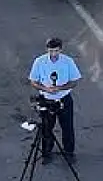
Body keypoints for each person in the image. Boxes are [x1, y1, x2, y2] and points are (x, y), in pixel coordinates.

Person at [28, 37, 82, 165]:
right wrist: (45, 88)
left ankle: (69, 152)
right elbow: (33, 81)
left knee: (67, 128)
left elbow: (74, 81)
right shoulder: (39, 62)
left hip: (64, 99)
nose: (53, 54)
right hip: (46, 100)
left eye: (56, 51)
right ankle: (46, 152)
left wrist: (60, 88)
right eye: (51, 51)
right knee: (46, 128)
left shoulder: (68, 62)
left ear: (61, 50)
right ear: (47, 49)